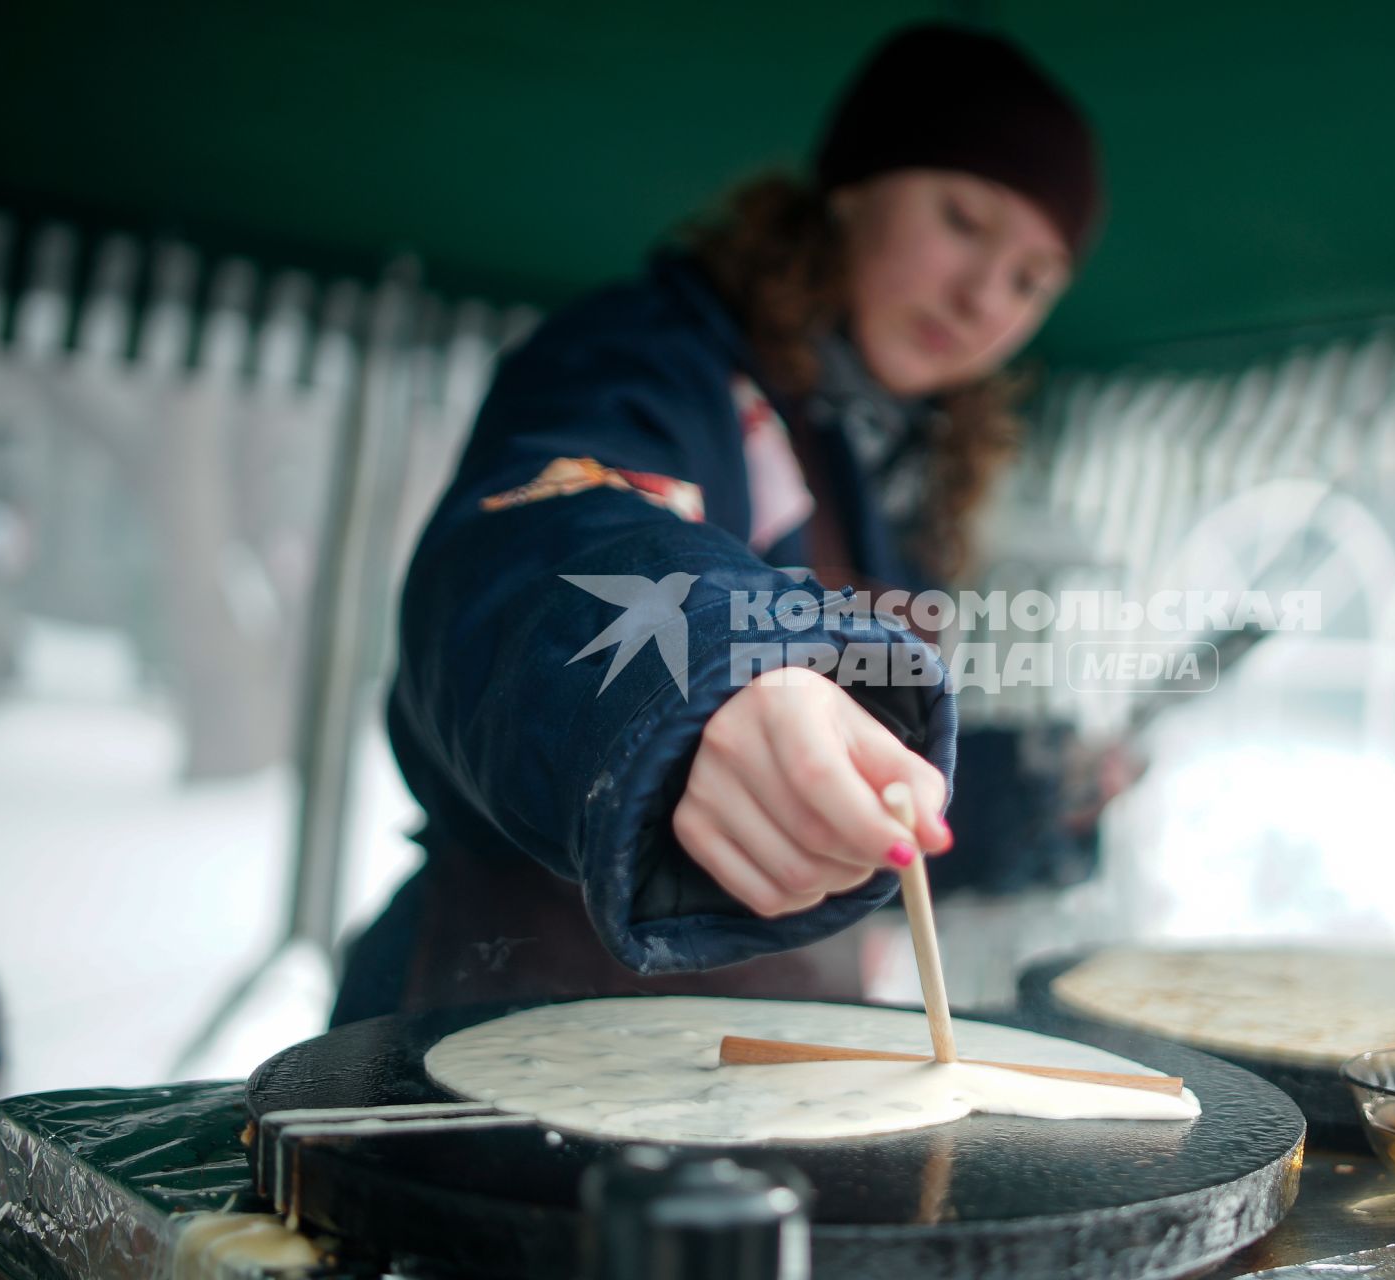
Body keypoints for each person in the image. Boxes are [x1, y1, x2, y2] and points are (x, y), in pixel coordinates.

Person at [333, 24, 1104, 1024]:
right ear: (850, 185)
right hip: (502, 1015)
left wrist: (1029, 794)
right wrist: (707, 675)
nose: (983, 298)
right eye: (963, 220)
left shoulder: (906, 477)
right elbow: (548, 542)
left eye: (1032, 280)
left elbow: (840, 800)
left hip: (776, 1043)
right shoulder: (646, 362)